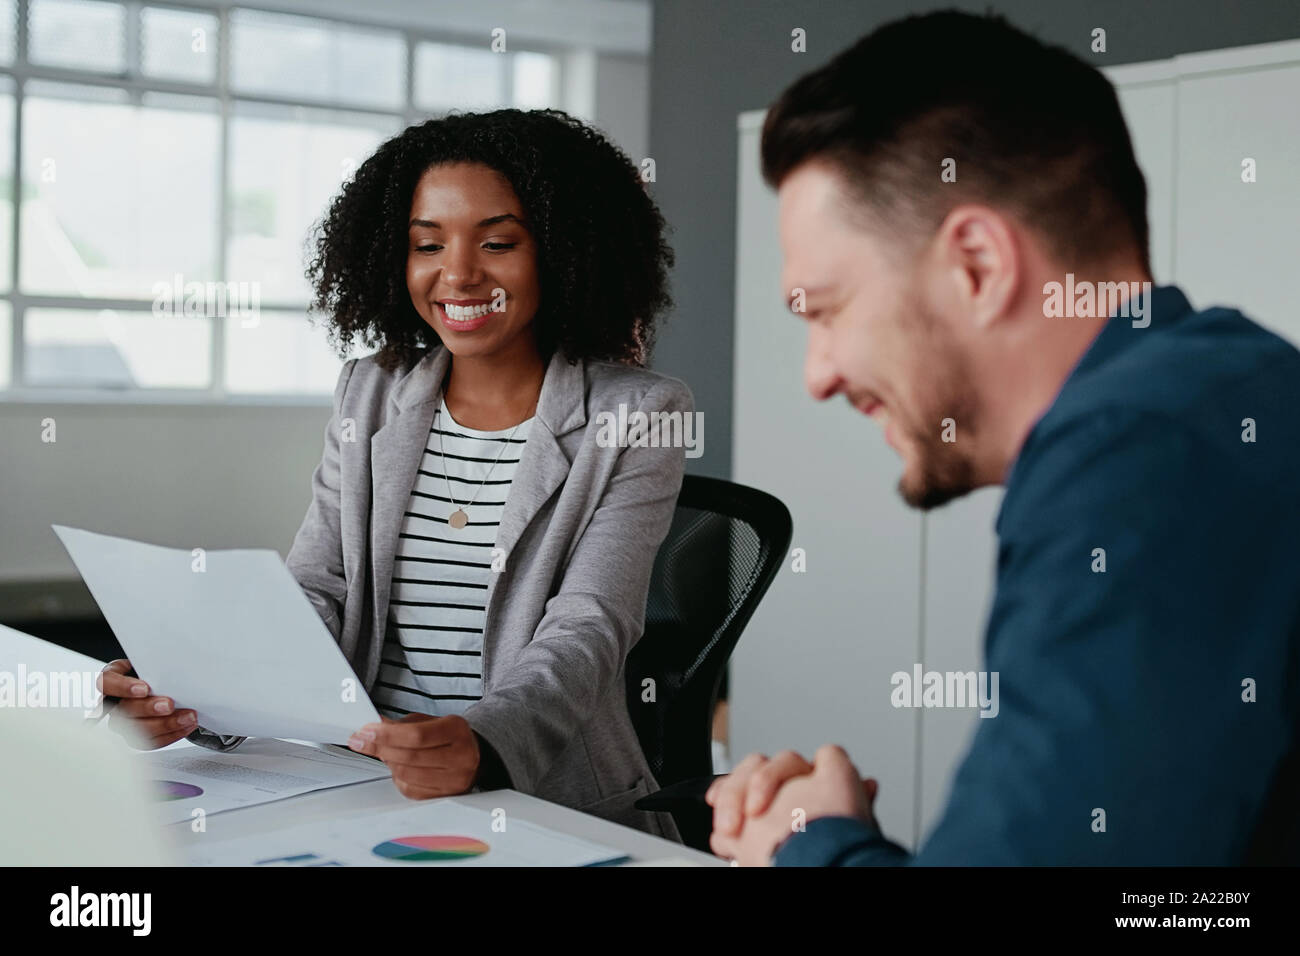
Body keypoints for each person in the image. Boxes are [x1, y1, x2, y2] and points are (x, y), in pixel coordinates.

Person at [708, 11, 1300, 865]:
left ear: (978, 265)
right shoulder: (1222, 396)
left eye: (827, 311)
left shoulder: (1137, 448)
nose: (818, 375)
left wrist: (813, 847)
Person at [99, 109, 691, 839]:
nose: (459, 273)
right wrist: (192, 688)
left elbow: (589, 627)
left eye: (499, 242)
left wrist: (485, 742)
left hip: (541, 797)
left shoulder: (639, 412)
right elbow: (320, 585)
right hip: (357, 780)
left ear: (566, 253)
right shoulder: (370, 391)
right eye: (427, 244)